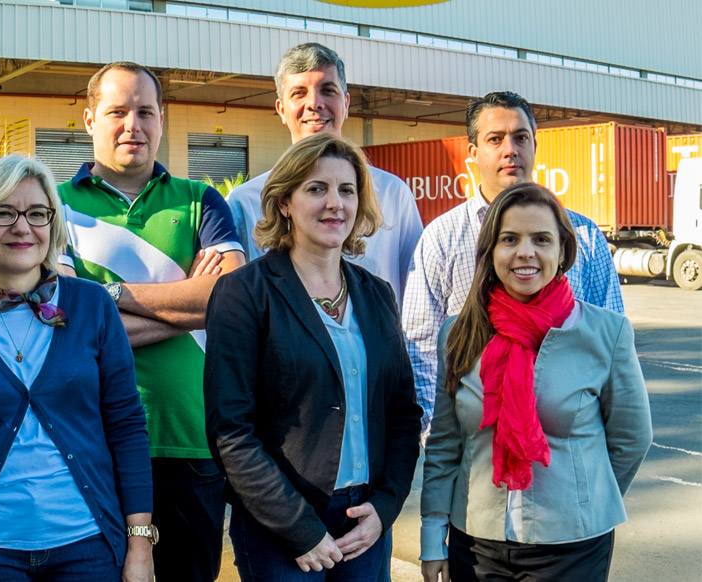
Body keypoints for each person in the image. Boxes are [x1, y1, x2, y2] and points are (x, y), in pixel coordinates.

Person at [0, 154, 154, 581]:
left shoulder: (92, 306)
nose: (22, 227)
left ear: (53, 223)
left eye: (36, 213)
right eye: (3, 212)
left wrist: (140, 543)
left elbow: (125, 425)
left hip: (88, 548)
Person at [58, 61, 245, 582]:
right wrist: (193, 306)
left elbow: (233, 300)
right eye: (117, 111)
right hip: (94, 442)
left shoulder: (200, 199)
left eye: (145, 111)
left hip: (192, 440)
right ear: (90, 119)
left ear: (162, 119)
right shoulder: (55, 204)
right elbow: (68, 323)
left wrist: (107, 295)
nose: (132, 125)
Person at [205, 132, 422, 581]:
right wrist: (299, 528)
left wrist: (385, 508)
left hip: (365, 522)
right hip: (280, 528)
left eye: (347, 190)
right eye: (316, 188)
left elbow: (403, 413)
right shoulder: (244, 293)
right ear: (285, 202)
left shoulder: (377, 295)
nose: (335, 204)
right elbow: (231, 430)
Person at [419, 183, 651, 582]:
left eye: (541, 239)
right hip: (476, 541)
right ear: (491, 251)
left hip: (572, 546)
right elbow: (444, 444)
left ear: (563, 252)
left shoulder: (605, 333)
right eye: (509, 239)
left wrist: (584, 499)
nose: (525, 252)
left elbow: (632, 438)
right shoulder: (458, 334)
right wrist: (432, 535)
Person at [402, 91, 624, 432]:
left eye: (520, 137)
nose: (510, 150)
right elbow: (421, 348)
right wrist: (442, 434)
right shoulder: (442, 238)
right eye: (495, 139)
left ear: (535, 144)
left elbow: (610, 347)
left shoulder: (585, 236)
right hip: (476, 439)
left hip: (568, 439)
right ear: (473, 153)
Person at [226, 42, 422, 309]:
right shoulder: (244, 202)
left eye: (328, 91)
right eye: (299, 93)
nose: (314, 104)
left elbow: (417, 295)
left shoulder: (393, 194)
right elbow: (232, 302)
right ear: (281, 110)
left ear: (346, 103)